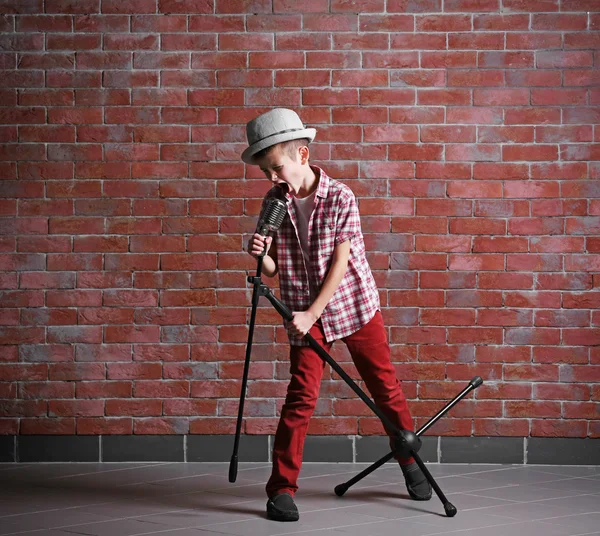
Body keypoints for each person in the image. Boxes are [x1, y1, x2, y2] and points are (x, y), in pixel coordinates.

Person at [243, 108, 431, 522]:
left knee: (385, 388)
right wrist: (264, 256)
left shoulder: (341, 197)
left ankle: (410, 461)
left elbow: (340, 264)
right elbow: (273, 271)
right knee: (300, 398)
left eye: (276, 169)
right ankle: (280, 490)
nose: (272, 179)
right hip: (303, 313)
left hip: (351, 306)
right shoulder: (274, 201)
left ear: (303, 155)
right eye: (265, 173)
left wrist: (312, 312)